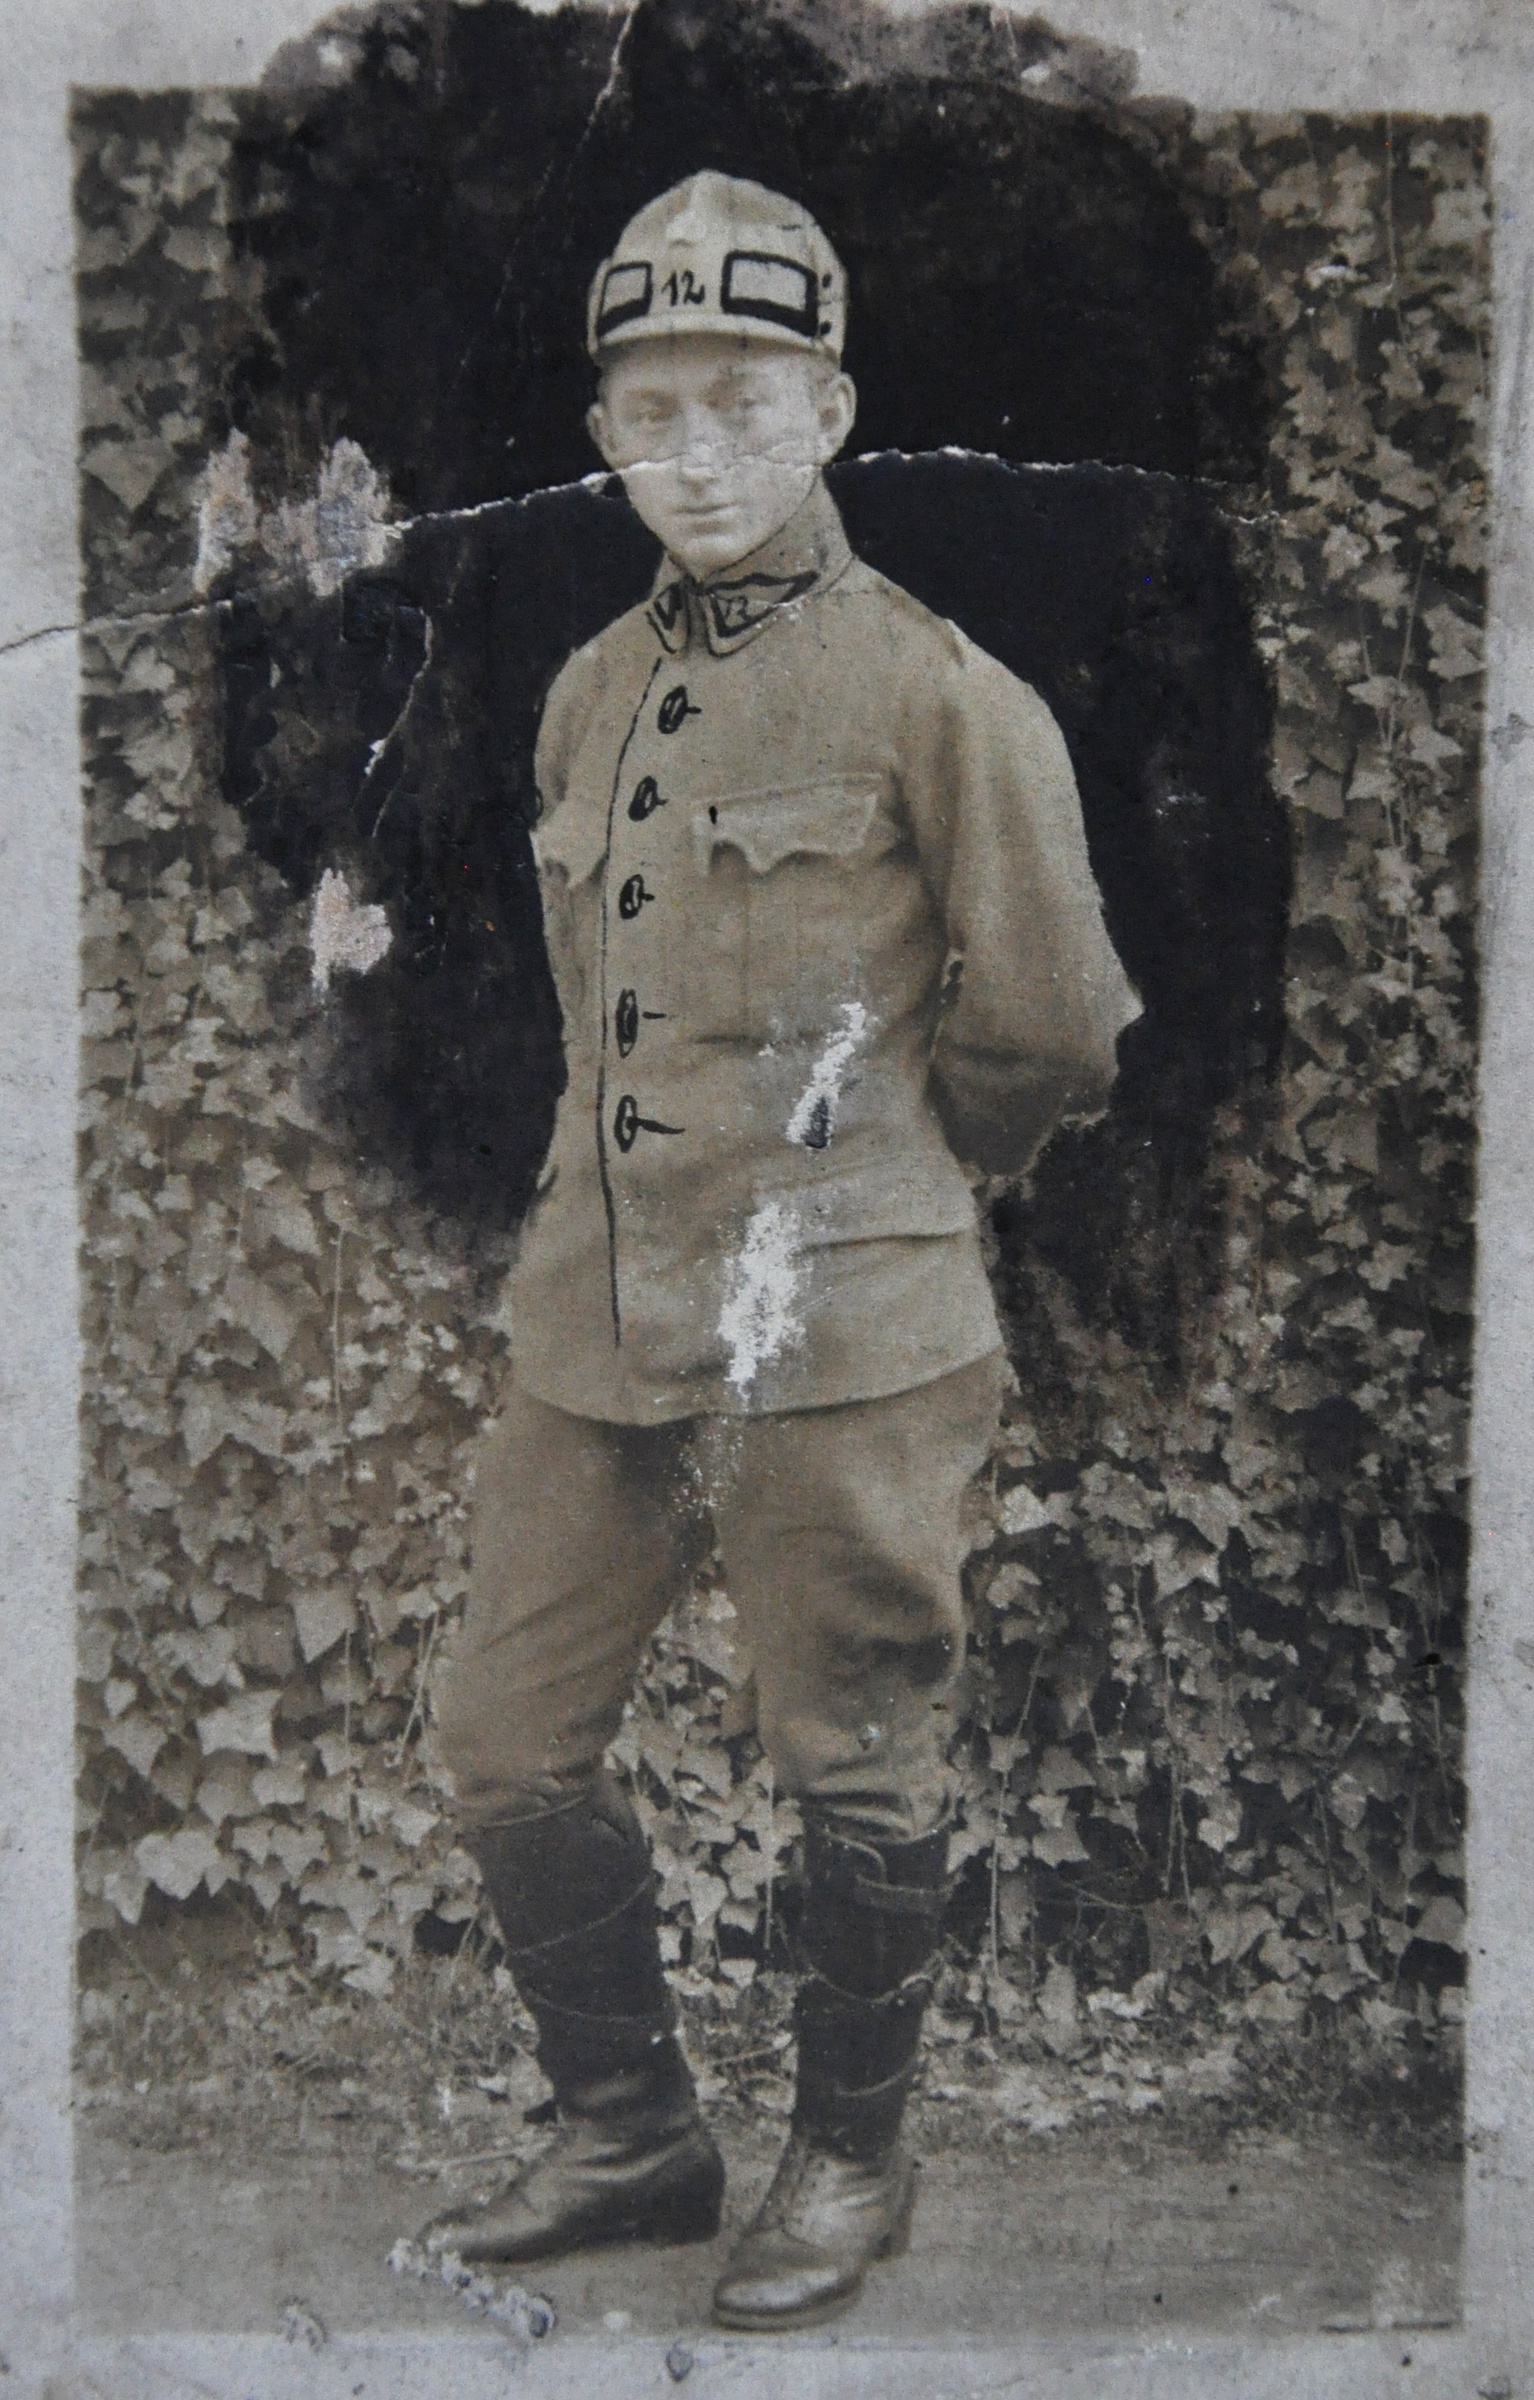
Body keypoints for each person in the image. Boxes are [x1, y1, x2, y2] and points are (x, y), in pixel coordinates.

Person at [421, 169, 1139, 2331]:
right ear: (602, 436)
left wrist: (895, 1185)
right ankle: (630, 2132)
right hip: (601, 1318)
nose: (697, 454)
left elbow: (1047, 1029)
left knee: (854, 1756)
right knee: (504, 1732)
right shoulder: (586, 692)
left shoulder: (939, 696)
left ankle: (849, 2162)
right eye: (650, 414)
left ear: (828, 413)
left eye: (741, 404)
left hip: (848, 1324)